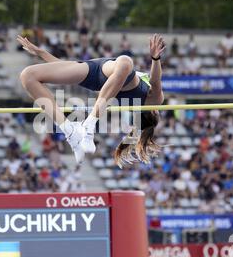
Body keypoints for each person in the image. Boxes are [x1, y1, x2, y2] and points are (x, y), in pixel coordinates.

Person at [17, 34, 166, 167]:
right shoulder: (151, 101)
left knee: (126, 61)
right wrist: (41, 53)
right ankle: (69, 130)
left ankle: (89, 125)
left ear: (153, 112)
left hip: (117, 72)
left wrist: (155, 59)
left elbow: (156, 80)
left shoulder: (154, 100)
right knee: (27, 76)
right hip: (94, 70)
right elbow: (65, 65)